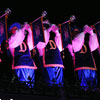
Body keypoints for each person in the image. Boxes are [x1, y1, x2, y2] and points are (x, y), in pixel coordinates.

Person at [7, 22, 37, 88]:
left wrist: (29, 30)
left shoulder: (25, 41)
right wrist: (23, 29)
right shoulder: (11, 40)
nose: (17, 30)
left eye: (18, 28)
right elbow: (16, 38)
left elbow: (32, 41)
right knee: (22, 85)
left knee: (31, 84)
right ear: (11, 31)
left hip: (30, 64)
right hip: (20, 64)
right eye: (15, 29)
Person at [36, 21, 64, 87]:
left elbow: (60, 47)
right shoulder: (39, 39)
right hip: (47, 63)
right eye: (43, 29)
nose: (44, 30)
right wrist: (48, 30)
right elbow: (41, 44)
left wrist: (57, 32)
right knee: (50, 84)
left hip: (58, 62)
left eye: (45, 28)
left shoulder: (53, 38)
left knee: (59, 84)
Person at [71, 25, 99, 91]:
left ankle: (93, 90)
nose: (76, 33)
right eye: (74, 32)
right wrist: (84, 32)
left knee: (93, 81)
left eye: (77, 32)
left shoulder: (86, 42)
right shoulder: (72, 42)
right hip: (81, 65)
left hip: (90, 65)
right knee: (83, 83)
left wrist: (91, 33)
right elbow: (76, 43)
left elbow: (94, 45)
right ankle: (84, 91)